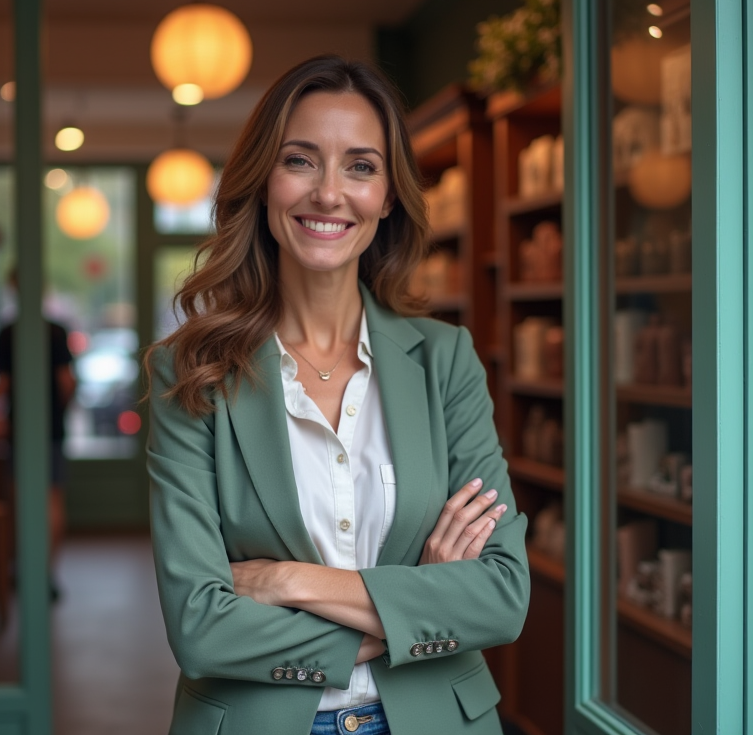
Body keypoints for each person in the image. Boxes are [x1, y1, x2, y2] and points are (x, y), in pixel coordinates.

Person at [145, 55, 530, 735]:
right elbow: (200, 627)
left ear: (387, 197)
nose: (329, 193)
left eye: (360, 166)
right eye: (300, 160)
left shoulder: (445, 362)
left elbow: (500, 596)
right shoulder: (192, 372)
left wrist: (287, 581)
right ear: (263, 183)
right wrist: (416, 605)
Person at [0, 269, 76, 598]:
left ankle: (26, 571)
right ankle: (46, 574)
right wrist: (59, 412)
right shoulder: (55, 330)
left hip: (19, 428)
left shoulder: (7, 332)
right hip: (51, 427)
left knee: (21, 499)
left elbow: (2, 385)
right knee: (52, 499)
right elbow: (66, 382)